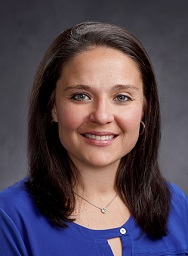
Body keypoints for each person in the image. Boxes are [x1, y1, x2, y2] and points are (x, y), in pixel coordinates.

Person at [0, 21, 187, 256]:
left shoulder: (177, 208)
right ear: (53, 107)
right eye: (81, 96)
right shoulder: (9, 219)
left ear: (145, 110)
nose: (101, 116)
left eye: (121, 97)